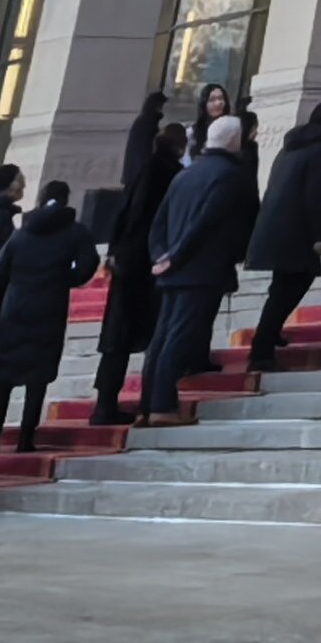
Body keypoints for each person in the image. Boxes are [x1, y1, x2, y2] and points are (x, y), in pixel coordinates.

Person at [136, 112, 255, 424]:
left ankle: (148, 406)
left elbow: (159, 222)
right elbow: (205, 221)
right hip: (200, 269)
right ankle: (162, 405)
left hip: (173, 269)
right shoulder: (230, 175)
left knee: (161, 338)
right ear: (235, 141)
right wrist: (176, 256)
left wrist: (161, 256)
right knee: (179, 336)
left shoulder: (185, 175)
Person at [0, 179, 95, 450]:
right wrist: (64, 279)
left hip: (15, 307)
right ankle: (25, 439)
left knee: (3, 377)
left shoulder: (21, 233)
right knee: (38, 376)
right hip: (49, 307)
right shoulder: (75, 231)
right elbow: (88, 264)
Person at [88, 109, 181, 425]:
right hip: (145, 261)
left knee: (117, 337)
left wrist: (115, 250)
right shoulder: (165, 173)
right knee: (135, 334)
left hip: (129, 258)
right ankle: (128, 403)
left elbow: (127, 213)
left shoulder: (144, 171)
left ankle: (106, 403)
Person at [247, 100, 321, 363]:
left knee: (282, 285)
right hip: (298, 228)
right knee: (294, 283)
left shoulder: (291, 145)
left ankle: (269, 335)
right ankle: (262, 348)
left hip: (276, 224)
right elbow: (317, 194)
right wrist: (318, 235)